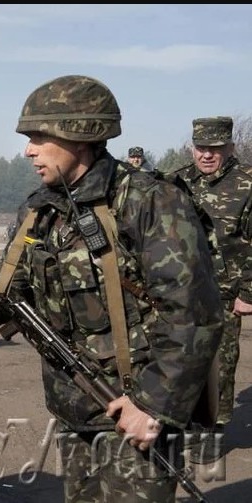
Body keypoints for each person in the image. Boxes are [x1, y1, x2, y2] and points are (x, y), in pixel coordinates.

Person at [0, 75, 224, 502]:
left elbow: (193, 313)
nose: (28, 150)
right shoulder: (39, 210)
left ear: (80, 136)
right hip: (75, 408)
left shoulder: (149, 202)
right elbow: (10, 288)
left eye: (39, 137)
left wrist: (153, 407)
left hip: (132, 409)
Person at [167, 116, 252, 459]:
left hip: (227, 294)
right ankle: (188, 424)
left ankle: (214, 430)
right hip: (182, 293)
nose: (206, 155)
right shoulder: (178, 181)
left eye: (214, 149)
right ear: (192, 147)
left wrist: (249, 293)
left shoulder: (247, 183)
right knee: (182, 359)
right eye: (201, 148)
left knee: (221, 364)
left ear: (229, 148)